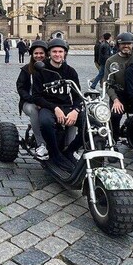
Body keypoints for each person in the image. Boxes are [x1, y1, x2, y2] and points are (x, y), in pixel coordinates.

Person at [30, 38, 83, 171]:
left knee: (90, 124)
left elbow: (78, 96)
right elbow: (36, 97)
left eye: (60, 51)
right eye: (54, 51)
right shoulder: (41, 70)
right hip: (49, 106)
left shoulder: (70, 71)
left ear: (65, 53)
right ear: (49, 53)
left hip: (67, 107)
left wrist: (75, 111)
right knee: (46, 122)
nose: (57, 54)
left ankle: (70, 151)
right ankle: (54, 153)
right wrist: (55, 108)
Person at [16, 40, 49, 160]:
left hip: (47, 102)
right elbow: (21, 88)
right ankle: (41, 144)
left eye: (41, 53)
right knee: (35, 110)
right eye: (36, 53)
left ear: (46, 54)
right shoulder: (26, 69)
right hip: (29, 102)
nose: (39, 56)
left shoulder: (50, 68)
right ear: (32, 55)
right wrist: (33, 100)